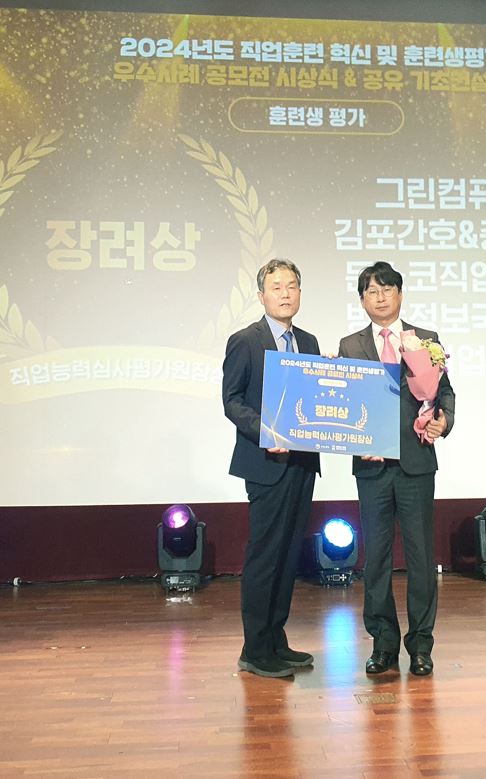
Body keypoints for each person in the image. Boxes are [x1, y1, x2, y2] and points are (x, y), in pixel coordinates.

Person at [338, 261, 455, 677]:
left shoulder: (426, 339)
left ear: (400, 294)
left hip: (416, 464)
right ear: (362, 300)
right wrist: (357, 441)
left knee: (421, 559)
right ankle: (383, 644)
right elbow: (344, 405)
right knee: (376, 560)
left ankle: (421, 645)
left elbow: (445, 392)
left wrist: (444, 420)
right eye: (371, 291)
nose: (380, 297)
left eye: (387, 289)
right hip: (372, 469)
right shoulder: (349, 345)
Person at [222, 258, 321, 678]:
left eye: (292, 285)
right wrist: (266, 431)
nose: (285, 293)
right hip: (265, 464)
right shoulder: (245, 340)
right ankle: (254, 648)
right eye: (276, 286)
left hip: (302, 463)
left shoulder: (309, 342)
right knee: (265, 556)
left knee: (288, 554)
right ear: (261, 295)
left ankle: (275, 639)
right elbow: (232, 401)